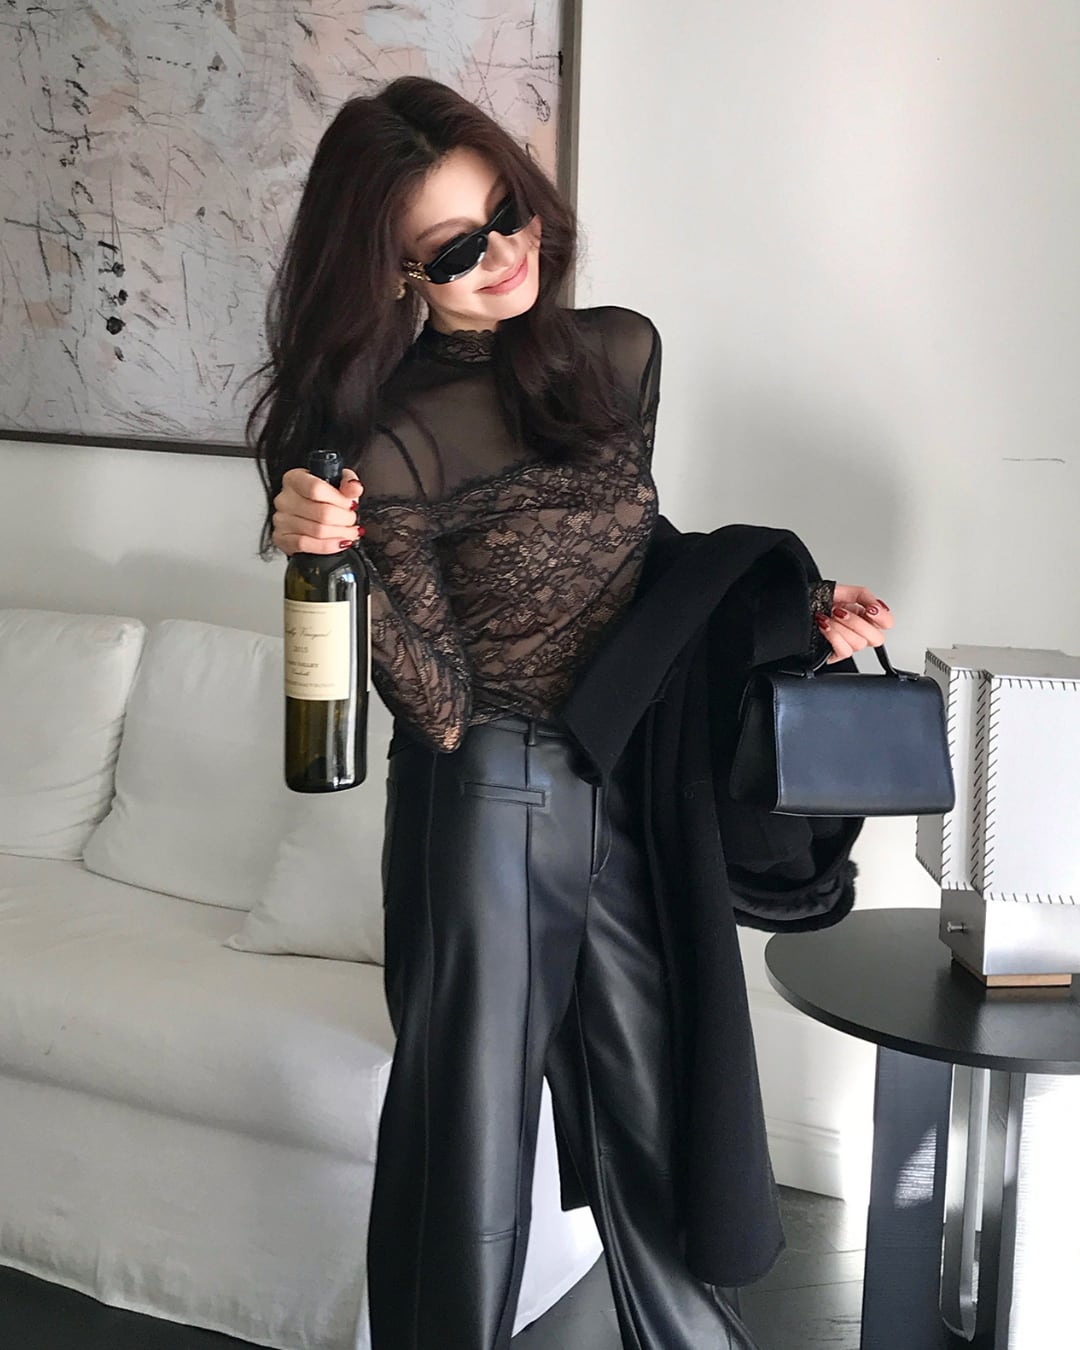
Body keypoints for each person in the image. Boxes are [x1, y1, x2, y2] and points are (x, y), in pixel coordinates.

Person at [250, 75, 893, 1350]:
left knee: (659, 1121)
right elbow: (438, 708)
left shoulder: (619, 353)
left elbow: (631, 561)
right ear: (395, 273)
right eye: (457, 248)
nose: (505, 253)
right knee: (469, 1150)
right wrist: (341, 554)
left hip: (620, 776)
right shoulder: (383, 441)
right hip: (486, 799)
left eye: (509, 211)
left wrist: (791, 611)